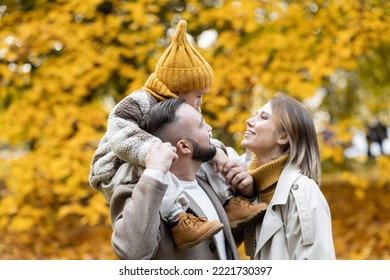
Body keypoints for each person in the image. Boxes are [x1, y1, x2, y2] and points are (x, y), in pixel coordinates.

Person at [88, 20, 265, 249]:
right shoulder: (140, 101)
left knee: (204, 156)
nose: (200, 105)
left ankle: (230, 203)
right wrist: (156, 152)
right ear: (179, 92)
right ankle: (177, 219)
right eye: (198, 97)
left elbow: (198, 138)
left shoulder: (179, 111)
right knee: (161, 164)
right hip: (114, 168)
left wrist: (216, 151)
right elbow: (120, 132)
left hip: (146, 156)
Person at [110, 98, 259, 259]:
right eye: (202, 125)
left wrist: (247, 195)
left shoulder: (206, 184)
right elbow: (132, 252)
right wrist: (154, 172)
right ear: (185, 146)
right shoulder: (140, 191)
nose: (210, 128)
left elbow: (217, 246)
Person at [238, 93, 335, 260]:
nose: (249, 120)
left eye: (263, 117)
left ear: (283, 137)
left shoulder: (303, 192)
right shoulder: (251, 186)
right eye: (255, 114)